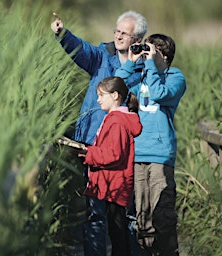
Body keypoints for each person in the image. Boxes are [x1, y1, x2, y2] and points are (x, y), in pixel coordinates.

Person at [51, 11, 147, 256]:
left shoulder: (143, 70)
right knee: (95, 211)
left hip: (124, 151)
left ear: (137, 38)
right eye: (116, 31)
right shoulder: (102, 56)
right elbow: (81, 50)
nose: (117, 36)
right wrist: (63, 34)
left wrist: (134, 64)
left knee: (125, 215)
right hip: (92, 144)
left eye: (124, 33)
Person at [115, 34, 186, 255]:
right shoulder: (141, 78)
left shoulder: (175, 77)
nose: (146, 55)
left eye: (150, 51)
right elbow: (115, 87)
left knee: (162, 215)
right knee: (142, 217)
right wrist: (131, 62)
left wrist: (151, 66)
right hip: (138, 154)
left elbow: (158, 93)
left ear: (163, 55)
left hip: (160, 155)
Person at [78, 76, 142, 256]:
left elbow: (114, 153)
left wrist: (88, 154)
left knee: (118, 234)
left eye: (101, 95)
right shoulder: (115, 119)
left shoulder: (117, 121)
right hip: (114, 183)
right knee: (117, 231)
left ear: (115, 95)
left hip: (114, 185)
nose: (98, 99)